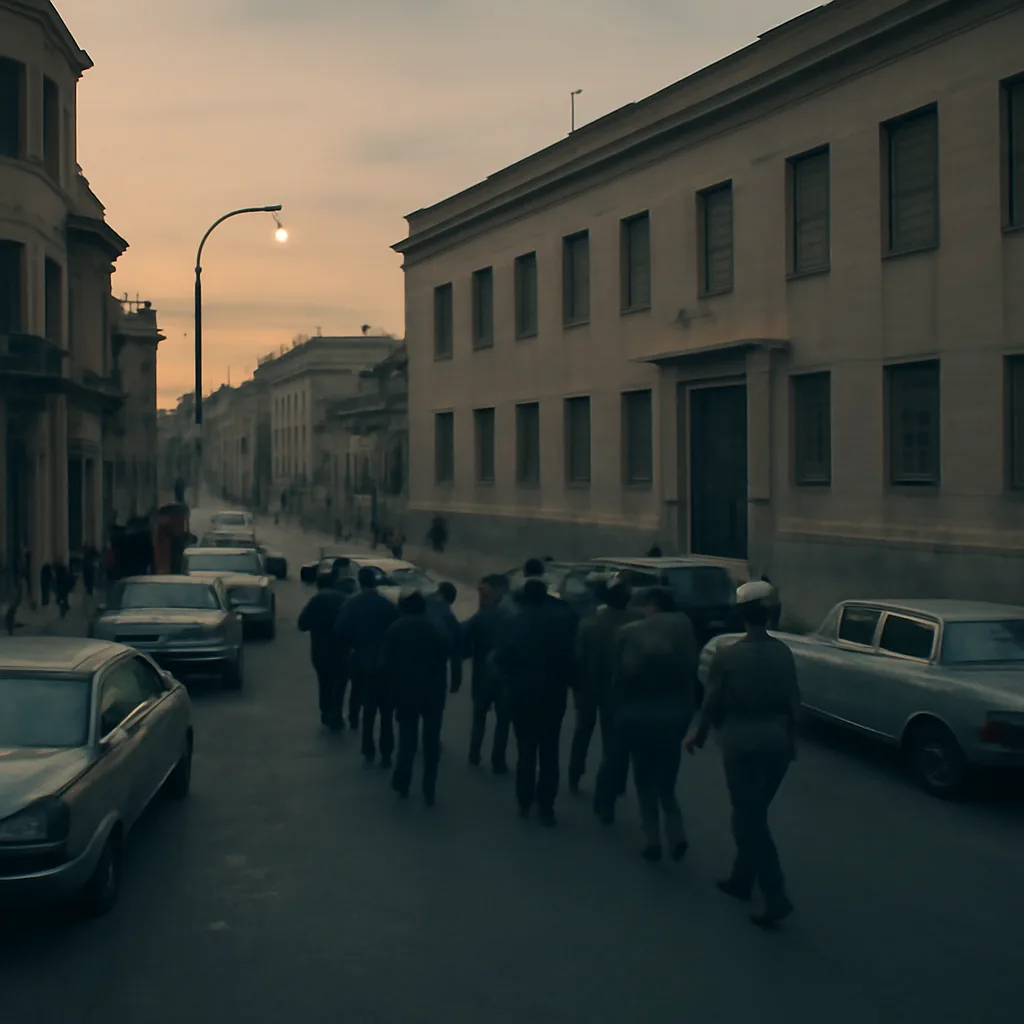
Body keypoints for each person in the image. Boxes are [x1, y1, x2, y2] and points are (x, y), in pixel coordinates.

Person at [685, 579, 800, 928]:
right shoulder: (784, 652)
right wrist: (791, 742)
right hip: (778, 740)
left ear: (741, 618)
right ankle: (741, 878)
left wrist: (698, 736)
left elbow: (710, 703)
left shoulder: (728, 656)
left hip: (742, 739)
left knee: (748, 819)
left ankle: (775, 893)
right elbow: (794, 702)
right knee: (755, 811)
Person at [612, 587, 698, 862]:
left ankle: (652, 839)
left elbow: (619, 683)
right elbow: (690, 686)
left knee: (643, 780)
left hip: (639, 718)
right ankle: (678, 834)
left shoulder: (631, 635)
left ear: (654, 606)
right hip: (671, 720)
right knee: (667, 785)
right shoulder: (684, 634)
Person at [493, 576, 578, 826]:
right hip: (553, 693)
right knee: (550, 749)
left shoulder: (512, 621)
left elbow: (502, 658)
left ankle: (524, 799)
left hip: (521, 693)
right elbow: (572, 658)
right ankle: (547, 805)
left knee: (525, 748)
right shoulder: (562, 621)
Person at [571, 573, 642, 798]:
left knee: (582, 733)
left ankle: (575, 773)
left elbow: (578, 660)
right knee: (615, 742)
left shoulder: (589, 624)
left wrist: (576, 689)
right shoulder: (636, 624)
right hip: (619, 691)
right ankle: (614, 785)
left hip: (589, 688)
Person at [382, 590, 452, 805]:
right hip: (433, 692)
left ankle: (403, 781)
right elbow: (446, 654)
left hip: (405, 691)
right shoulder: (437, 627)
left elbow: (387, 664)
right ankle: (428, 788)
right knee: (431, 742)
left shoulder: (395, 628)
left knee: (407, 739)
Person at [334, 567, 400, 763]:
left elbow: (339, 630)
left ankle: (368, 747)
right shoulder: (387, 605)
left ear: (359, 583)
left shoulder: (351, 604)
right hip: (384, 664)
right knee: (386, 710)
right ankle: (387, 752)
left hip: (361, 659)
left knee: (368, 706)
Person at [461, 574, 514, 773]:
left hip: (481, 675)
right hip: (503, 677)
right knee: (503, 722)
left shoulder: (479, 618)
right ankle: (498, 760)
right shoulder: (510, 619)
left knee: (479, 719)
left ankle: (474, 753)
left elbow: (465, 644)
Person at [298, 563, 352, 730]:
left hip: (320, 650)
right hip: (341, 649)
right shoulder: (345, 599)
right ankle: (336, 713)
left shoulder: (316, 600)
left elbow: (302, 624)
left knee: (324, 682)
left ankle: (326, 712)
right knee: (339, 682)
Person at [427, 581, 463, 695]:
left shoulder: (419, 604)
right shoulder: (450, 619)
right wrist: (455, 683)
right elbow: (456, 656)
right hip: (435, 672)